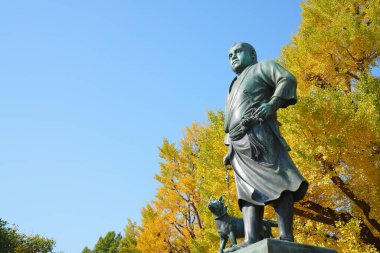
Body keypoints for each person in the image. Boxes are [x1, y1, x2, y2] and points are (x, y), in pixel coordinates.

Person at [223, 42, 308, 252]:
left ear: (252, 54)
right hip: (238, 143)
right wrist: (229, 148)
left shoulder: (263, 67)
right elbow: (229, 119)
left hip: (259, 133)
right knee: (247, 191)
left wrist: (272, 104)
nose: (233, 56)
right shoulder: (232, 85)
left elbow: (287, 79)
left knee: (278, 180)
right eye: (230, 55)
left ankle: (285, 235)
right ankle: (251, 238)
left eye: (238, 52)